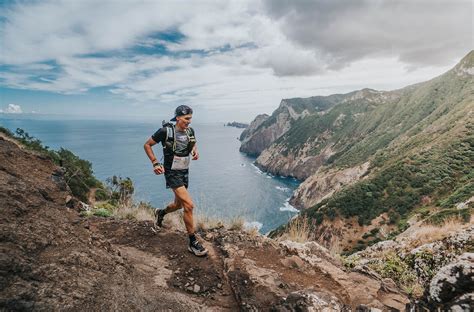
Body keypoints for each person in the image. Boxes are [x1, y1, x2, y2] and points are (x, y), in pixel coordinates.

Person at [143, 105, 208, 257]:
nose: (189, 122)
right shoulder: (165, 132)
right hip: (172, 173)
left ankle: (160, 213)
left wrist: (194, 151)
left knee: (178, 204)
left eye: (190, 118)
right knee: (189, 206)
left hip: (184, 171)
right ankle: (192, 242)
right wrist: (155, 162)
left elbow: (192, 143)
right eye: (187, 119)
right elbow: (147, 145)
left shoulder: (190, 131)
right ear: (178, 117)